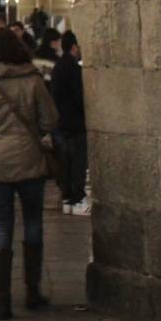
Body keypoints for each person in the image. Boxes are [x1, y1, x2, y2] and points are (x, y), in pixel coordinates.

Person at [0, 25, 60, 318]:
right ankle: (32, 291)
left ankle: (2, 299)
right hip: (30, 161)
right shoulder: (32, 79)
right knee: (33, 223)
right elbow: (51, 119)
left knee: (1, 227)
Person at [50, 30, 89, 214]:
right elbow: (78, 96)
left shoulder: (57, 66)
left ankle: (66, 197)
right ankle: (77, 198)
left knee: (65, 162)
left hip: (61, 122)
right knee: (78, 162)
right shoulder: (73, 67)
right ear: (74, 47)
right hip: (75, 123)